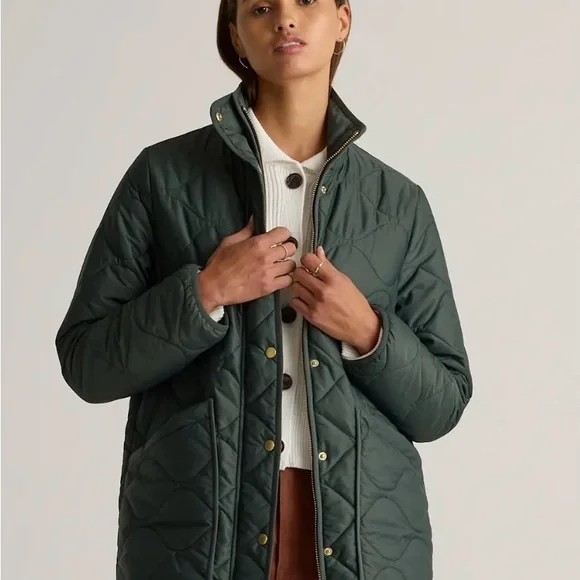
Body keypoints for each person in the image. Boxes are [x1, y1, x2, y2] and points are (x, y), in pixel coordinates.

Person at [55, 0, 473, 578]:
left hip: (365, 540)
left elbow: (442, 406)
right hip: (202, 530)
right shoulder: (162, 177)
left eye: (305, 1)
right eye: (259, 7)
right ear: (236, 35)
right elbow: (88, 363)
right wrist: (205, 293)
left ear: (342, 20)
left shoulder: (398, 203)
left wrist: (368, 332)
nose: (284, 18)